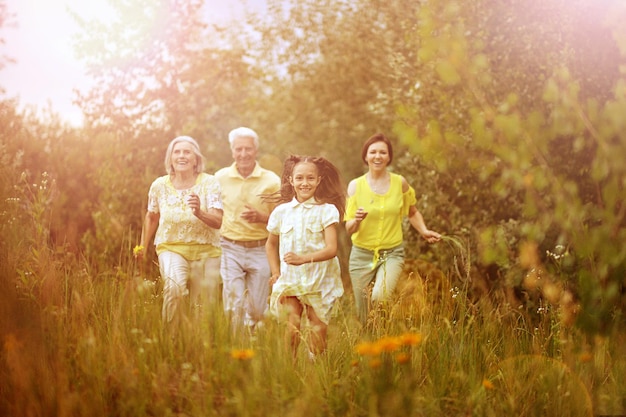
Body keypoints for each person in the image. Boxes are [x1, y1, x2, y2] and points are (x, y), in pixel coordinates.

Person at [345, 133, 441, 324]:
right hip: (361, 254)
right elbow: (349, 229)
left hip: (392, 253)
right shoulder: (355, 186)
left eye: (383, 152)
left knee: (379, 298)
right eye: (373, 152)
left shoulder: (400, 183)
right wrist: (356, 220)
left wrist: (423, 230)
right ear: (365, 156)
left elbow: (412, 211)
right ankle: (371, 343)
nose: (377, 156)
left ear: (389, 157)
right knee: (363, 311)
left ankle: (384, 338)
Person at [265, 155, 346, 359]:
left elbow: (331, 249)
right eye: (299, 178)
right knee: (292, 328)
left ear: (318, 180)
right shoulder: (281, 212)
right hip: (290, 279)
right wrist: (275, 272)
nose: (304, 183)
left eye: (310, 178)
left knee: (317, 336)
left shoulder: (327, 211)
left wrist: (303, 259)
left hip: (319, 280)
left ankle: (314, 370)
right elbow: (271, 244)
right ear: (291, 181)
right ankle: (289, 373)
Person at [137, 136, 223, 324]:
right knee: (174, 289)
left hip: (207, 251)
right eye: (177, 152)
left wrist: (200, 212)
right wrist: (142, 245)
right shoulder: (159, 185)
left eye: (187, 152)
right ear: (170, 158)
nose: (182, 156)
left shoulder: (210, 183)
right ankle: (172, 343)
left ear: (196, 159)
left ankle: (199, 348)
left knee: (203, 307)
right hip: (171, 248)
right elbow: (152, 216)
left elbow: (218, 221)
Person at [215, 127, 281, 333]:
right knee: (234, 305)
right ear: (232, 151)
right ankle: (236, 349)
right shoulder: (220, 177)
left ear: (256, 151)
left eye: (248, 149)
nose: (243, 154)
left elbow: (283, 221)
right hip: (229, 248)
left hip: (261, 249)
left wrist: (262, 218)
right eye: (239, 149)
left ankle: (251, 347)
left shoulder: (271, 181)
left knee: (257, 309)